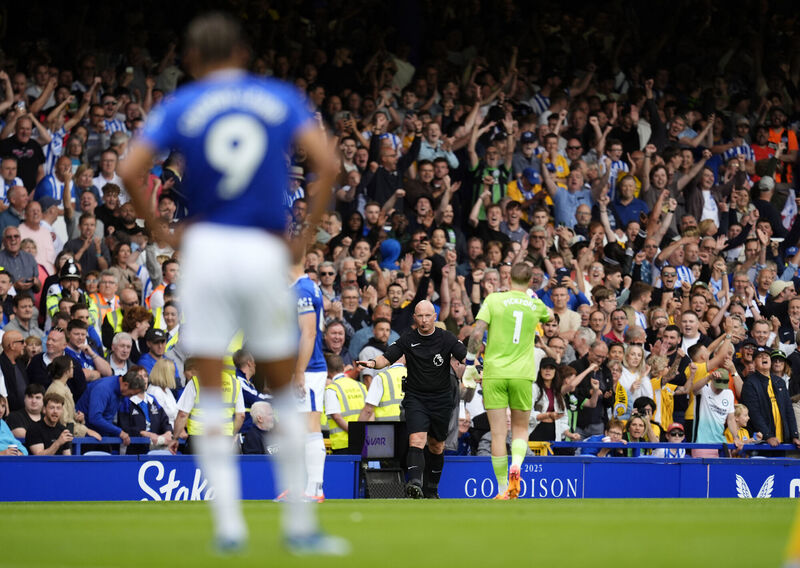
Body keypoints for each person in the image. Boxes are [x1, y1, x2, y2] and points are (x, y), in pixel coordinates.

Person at [120, 12, 343, 554]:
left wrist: (163, 233)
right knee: (283, 386)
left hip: (208, 253)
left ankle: (227, 529)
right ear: (242, 54)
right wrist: (304, 235)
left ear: (192, 61)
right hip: (263, 249)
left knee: (215, 391)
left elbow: (131, 169)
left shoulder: (183, 104)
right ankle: (301, 529)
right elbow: (328, 165)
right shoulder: (278, 98)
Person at [357, 300, 467, 499]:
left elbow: (463, 357)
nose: (424, 320)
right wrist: (372, 363)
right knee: (416, 439)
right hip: (416, 398)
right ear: (414, 318)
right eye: (420, 316)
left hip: (441, 400)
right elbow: (387, 358)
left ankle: (432, 490)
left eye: (428, 316)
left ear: (434, 316)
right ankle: (414, 483)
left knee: (436, 446)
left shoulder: (446, 338)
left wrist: (462, 365)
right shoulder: (408, 339)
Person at [464, 263, 552, 499]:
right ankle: (517, 467)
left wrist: (471, 363)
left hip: (494, 373)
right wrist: (532, 296)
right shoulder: (535, 304)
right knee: (521, 429)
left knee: (498, 434)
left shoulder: (493, 300)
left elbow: (476, 332)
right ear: (532, 280)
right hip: (522, 374)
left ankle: (503, 488)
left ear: (509, 278)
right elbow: (551, 317)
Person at [74, 368, 146, 443]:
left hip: (102, 436)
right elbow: (95, 418)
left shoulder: (121, 391)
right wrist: (119, 432)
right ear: (125, 385)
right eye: (131, 394)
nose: (130, 397)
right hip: (86, 437)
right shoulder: (103, 388)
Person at [324, 353, 366, 453]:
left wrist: (354, 433)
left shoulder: (331, 389)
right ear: (343, 367)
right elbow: (370, 411)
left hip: (342, 444)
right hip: (364, 440)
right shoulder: (360, 386)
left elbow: (337, 417)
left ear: (327, 371)